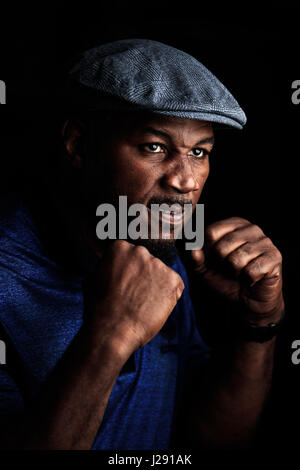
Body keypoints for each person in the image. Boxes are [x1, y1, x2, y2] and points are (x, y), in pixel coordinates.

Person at [0, 39, 284, 450]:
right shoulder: (8, 276)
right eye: (155, 147)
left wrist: (258, 324)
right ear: (78, 144)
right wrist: (111, 336)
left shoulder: (154, 250)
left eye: (199, 152)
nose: (185, 181)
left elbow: (211, 437)